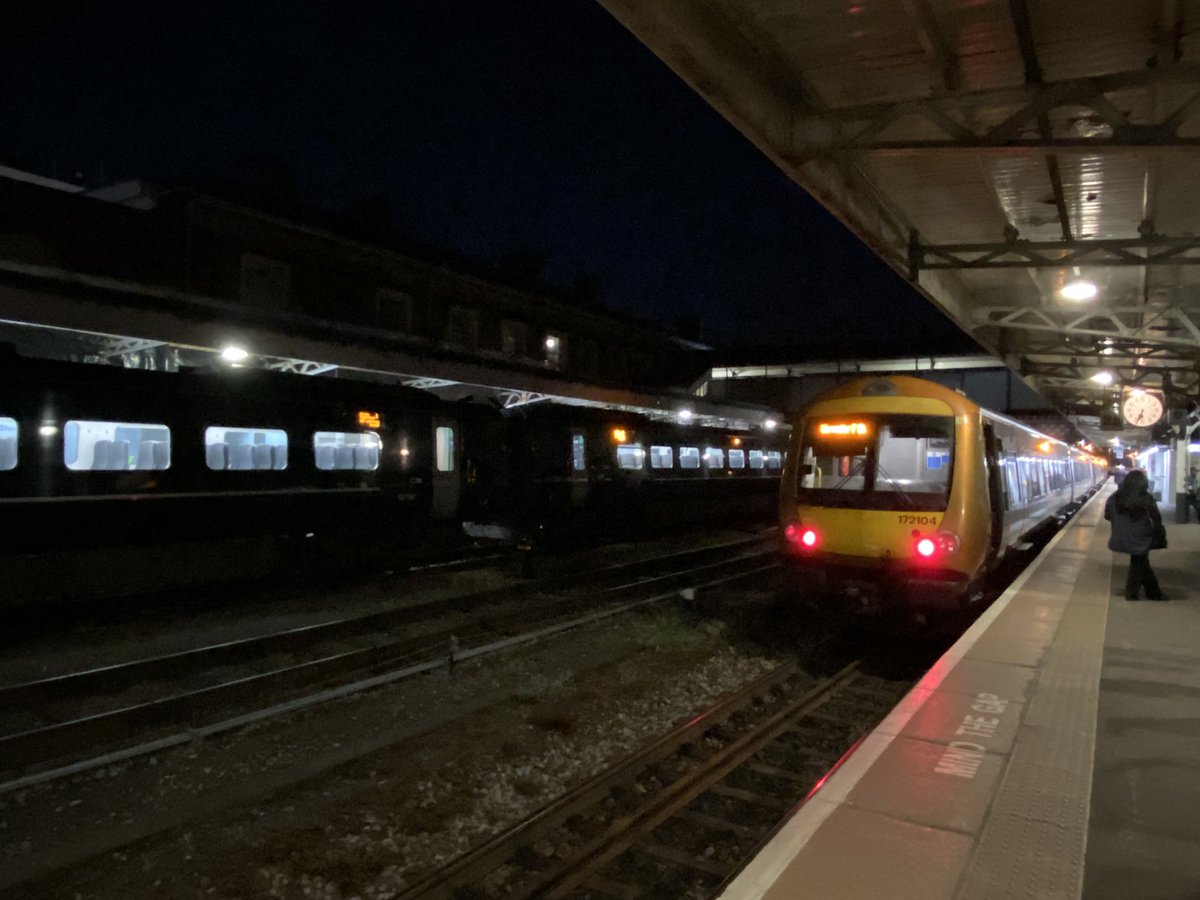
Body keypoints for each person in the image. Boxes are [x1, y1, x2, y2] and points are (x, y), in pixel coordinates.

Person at [1105, 469, 1168, 601]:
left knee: (1141, 561)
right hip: (1142, 536)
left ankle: (1153, 592)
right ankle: (1134, 593)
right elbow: (1156, 518)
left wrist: (1121, 524)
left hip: (1122, 536)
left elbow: (1107, 515)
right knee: (1139, 562)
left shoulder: (1116, 497)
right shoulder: (1146, 498)